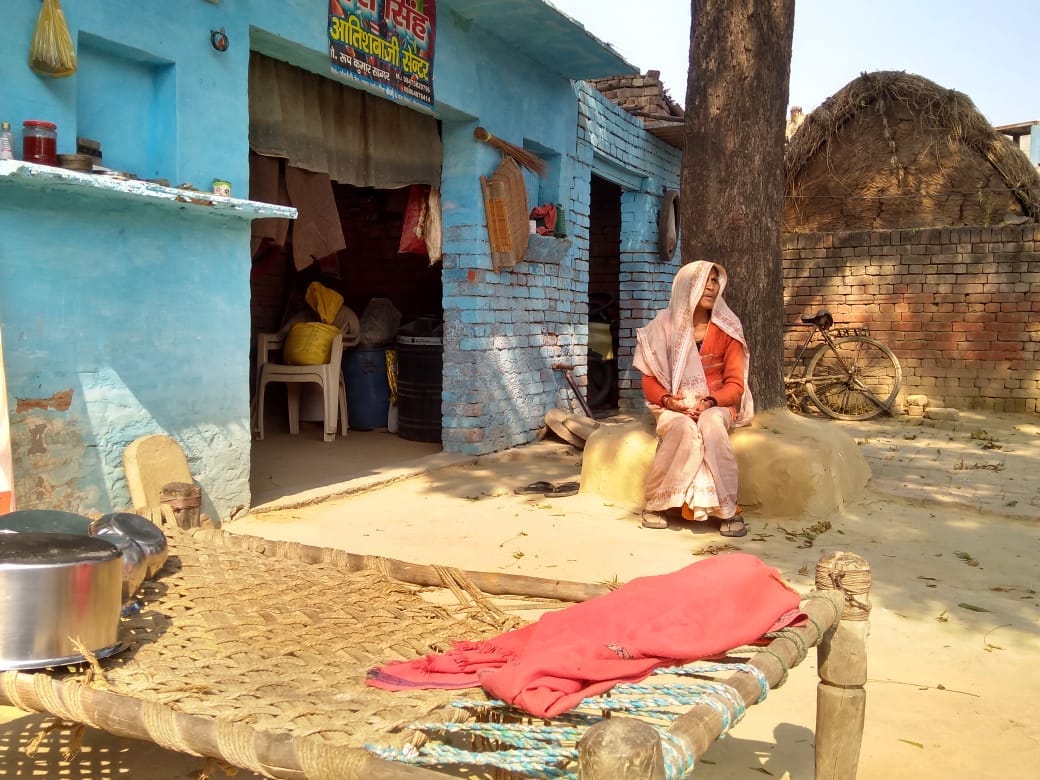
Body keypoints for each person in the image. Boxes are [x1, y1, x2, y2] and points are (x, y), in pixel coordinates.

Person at [632, 261, 754, 537]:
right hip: (674, 404)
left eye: (715, 281)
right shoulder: (662, 326)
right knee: (683, 429)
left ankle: (727, 509)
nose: (712, 287)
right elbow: (649, 381)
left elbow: (735, 385)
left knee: (710, 425)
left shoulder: (728, 328)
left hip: (717, 404)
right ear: (687, 286)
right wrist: (668, 401)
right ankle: (656, 504)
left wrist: (711, 402)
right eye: (705, 281)